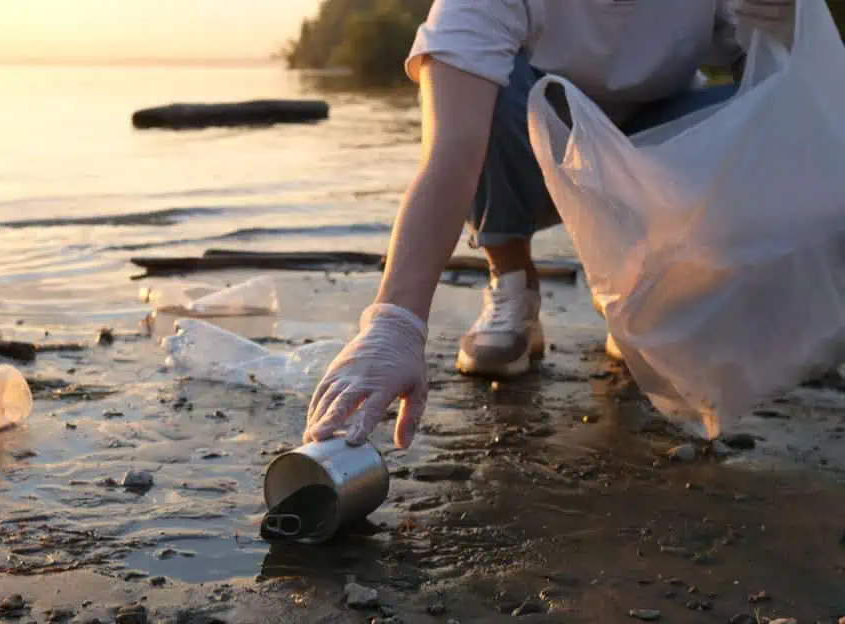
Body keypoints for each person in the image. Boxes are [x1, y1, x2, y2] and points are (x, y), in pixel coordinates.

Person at [303, 0, 797, 450]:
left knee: (751, 109)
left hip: (654, 142)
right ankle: (513, 283)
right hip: (540, 140)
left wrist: (786, 23)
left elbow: (783, 88)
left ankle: (642, 289)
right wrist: (394, 323)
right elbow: (452, 151)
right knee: (478, 92)